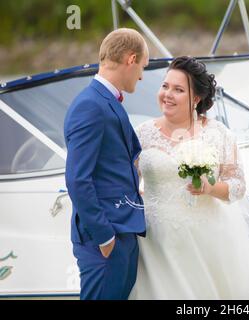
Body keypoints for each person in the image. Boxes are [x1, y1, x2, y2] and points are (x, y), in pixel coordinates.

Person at [130, 56, 249, 299]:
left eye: (178, 89)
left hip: (205, 241)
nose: (167, 94)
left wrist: (209, 188)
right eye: (165, 86)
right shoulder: (142, 134)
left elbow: (238, 186)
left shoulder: (218, 134)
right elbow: (125, 182)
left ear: (196, 99)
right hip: (154, 243)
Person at [64, 28, 149, 300]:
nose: (142, 76)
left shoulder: (106, 101)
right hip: (104, 239)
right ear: (131, 59)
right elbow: (78, 179)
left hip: (123, 232)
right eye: (142, 67)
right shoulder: (90, 105)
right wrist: (105, 238)